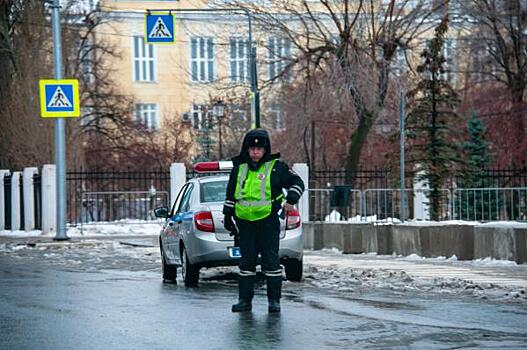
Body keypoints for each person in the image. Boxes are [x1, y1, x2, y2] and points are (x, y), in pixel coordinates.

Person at [223, 129, 305, 313]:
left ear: (265, 150)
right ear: (247, 149)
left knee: (271, 262)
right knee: (246, 262)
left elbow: (298, 183)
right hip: (244, 223)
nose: (255, 152)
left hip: (267, 222)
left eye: (259, 149)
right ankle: (244, 301)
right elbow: (230, 194)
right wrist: (228, 216)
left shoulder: (276, 167)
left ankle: (274, 301)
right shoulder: (239, 168)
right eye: (252, 148)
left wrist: (291, 200)